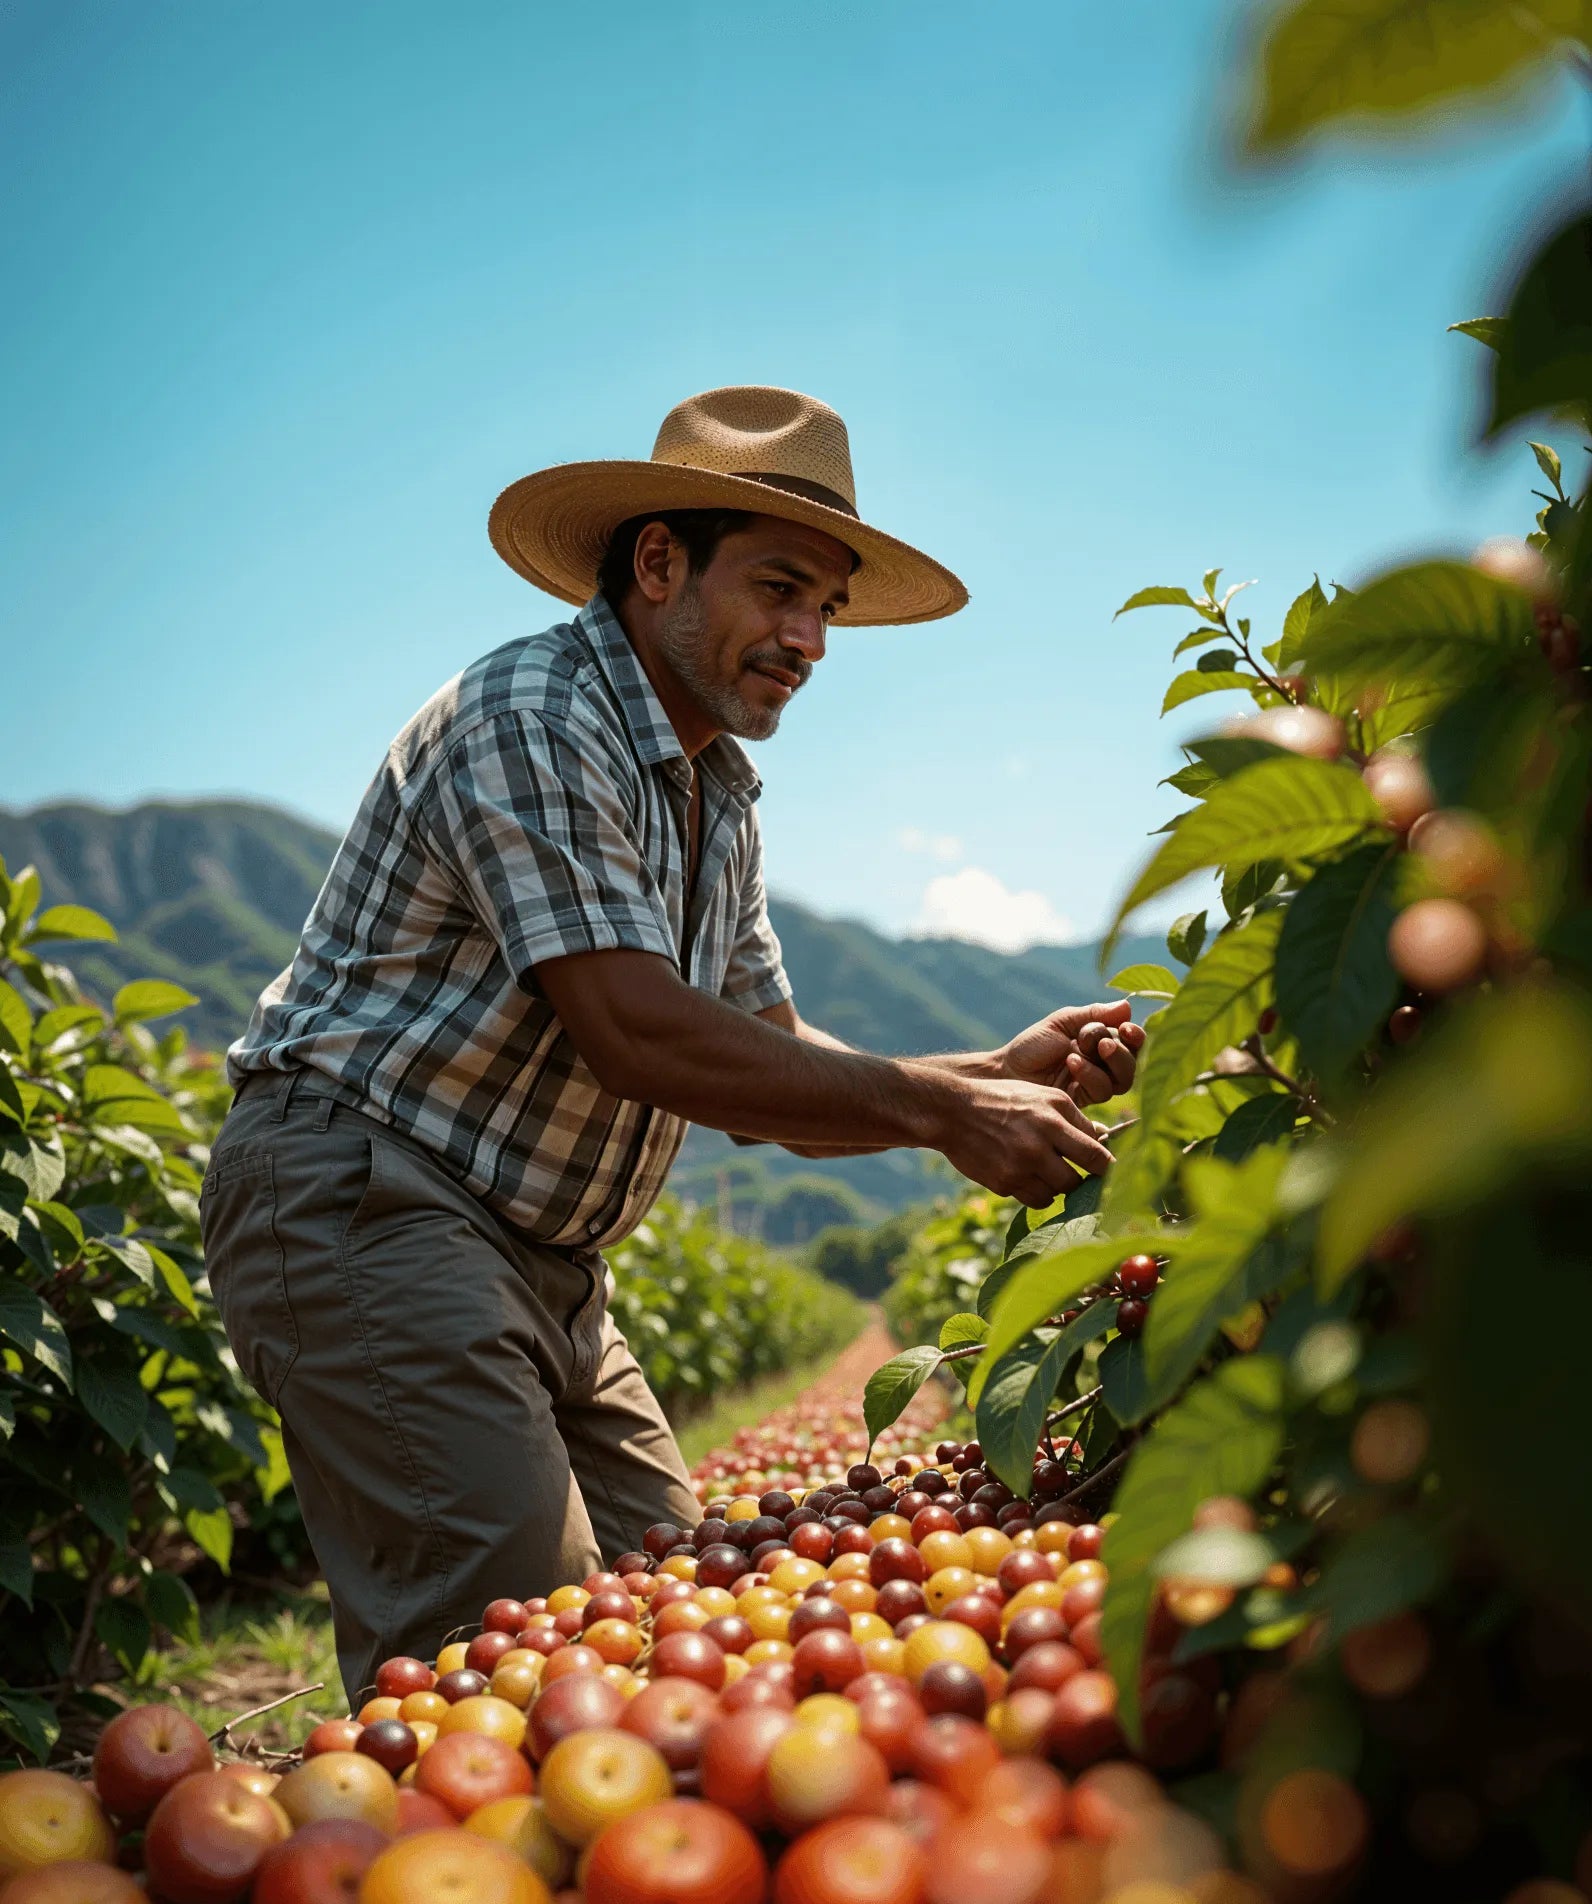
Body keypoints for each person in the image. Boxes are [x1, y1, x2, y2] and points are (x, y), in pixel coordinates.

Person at [201, 385, 1143, 1703]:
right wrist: (943, 1114)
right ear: (658, 563)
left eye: (828, 604)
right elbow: (640, 1030)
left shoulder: (717, 801)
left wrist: (994, 1071)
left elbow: (772, 1073)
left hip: (541, 1257)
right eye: (777, 589)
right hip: (370, 1200)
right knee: (507, 1661)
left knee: (675, 1598)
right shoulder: (535, 714)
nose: (810, 636)